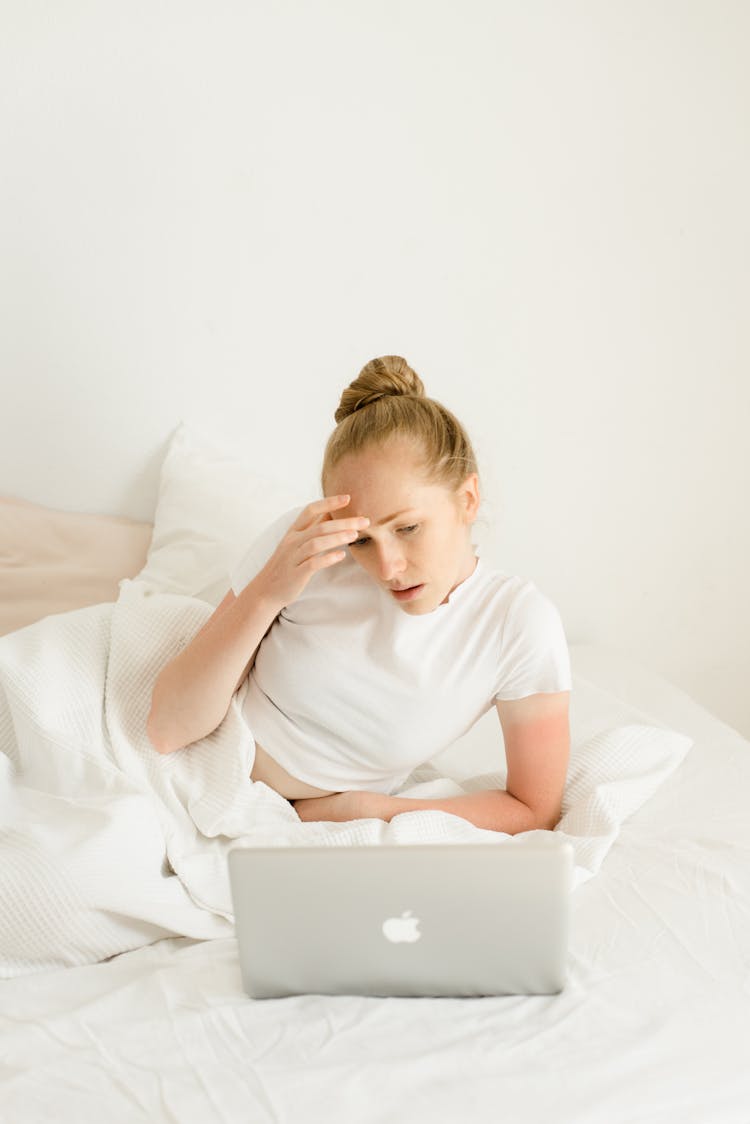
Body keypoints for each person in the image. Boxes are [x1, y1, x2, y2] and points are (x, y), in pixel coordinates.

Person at [146, 356, 572, 834]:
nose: (388, 568)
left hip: (308, 824)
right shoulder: (309, 547)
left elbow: (535, 809)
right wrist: (267, 592)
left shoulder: (517, 624)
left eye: (408, 528)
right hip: (186, 770)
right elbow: (168, 729)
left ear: (467, 499)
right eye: (362, 540)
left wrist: (365, 810)